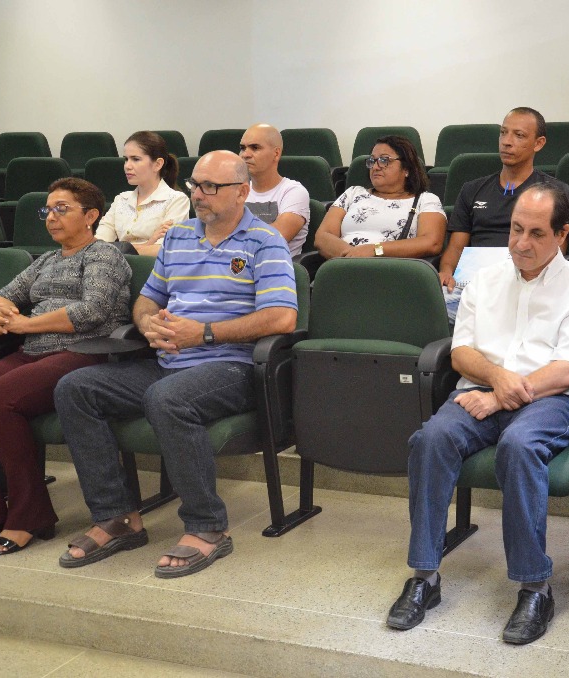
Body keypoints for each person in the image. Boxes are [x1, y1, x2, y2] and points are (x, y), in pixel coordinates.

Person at [54, 151, 297, 578]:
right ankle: (117, 517)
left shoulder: (264, 242)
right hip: (170, 359)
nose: (198, 194)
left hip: (232, 365)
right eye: (195, 185)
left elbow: (281, 318)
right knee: (76, 388)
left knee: (167, 399)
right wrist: (147, 323)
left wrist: (203, 333)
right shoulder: (179, 236)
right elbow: (149, 298)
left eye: (210, 187)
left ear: (242, 192)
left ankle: (208, 526)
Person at [386, 183, 569, 645]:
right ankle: (424, 576)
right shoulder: (485, 280)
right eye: (516, 229)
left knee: (519, 445)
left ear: (562, 234)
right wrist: (496, 379)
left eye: (536, 233)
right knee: (430, 440)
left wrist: (501, 393)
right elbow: (462, 352)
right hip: (481, 390)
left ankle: (535, 587)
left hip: (552, 400)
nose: (521, 243)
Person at [0, 178, 132, 556]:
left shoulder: (103, 256)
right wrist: (0, 311)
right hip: (33, 352)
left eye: (62, 209)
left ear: (91, 216)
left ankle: (29, 514)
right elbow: (1, 295)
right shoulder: (47, 260)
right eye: (48, 210)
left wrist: (25, 324)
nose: (51, 217)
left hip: (83, 352)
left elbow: (92, 311)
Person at [438, 107, 569, 321]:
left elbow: (554, 251)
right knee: (432, 309)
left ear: (538, 143)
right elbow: (456, 247)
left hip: (527, 282)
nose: (507, 142)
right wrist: (446, 272)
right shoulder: (472, 189)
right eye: (503, 133)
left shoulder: (554, 192)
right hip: (474, 284)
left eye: (518, 135)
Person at [314, 135, 445, 259]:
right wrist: (354, 257)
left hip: (390, 269)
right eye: (372, 161)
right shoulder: (353, 193)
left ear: (407, 169)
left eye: (384, 160)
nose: (375, 167)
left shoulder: (425, 200)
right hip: (342, 265)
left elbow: (431, 243)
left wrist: (374, 250)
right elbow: (323, 237)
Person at [95, 131, 190, 256]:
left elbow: (163, 250)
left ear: (158, 164)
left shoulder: (177, 200)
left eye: (135, 159)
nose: (127, 166)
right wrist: (148, 243)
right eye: (126, 159)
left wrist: (121, 248)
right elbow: (97, 247)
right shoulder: (121, 199)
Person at [240, 123, 311, 256]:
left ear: (276, 153)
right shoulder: (236, 190)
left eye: (255, 148)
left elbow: (273, 239)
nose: (245, 154)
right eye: (242, 148)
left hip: (274, 265)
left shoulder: (293, 191)